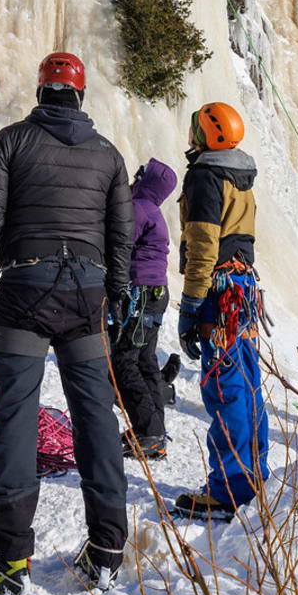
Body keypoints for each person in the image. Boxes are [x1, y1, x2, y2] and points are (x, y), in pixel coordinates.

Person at [0, 52, 133, 595]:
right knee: (95, 417)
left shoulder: (11, 141)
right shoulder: (108, 156)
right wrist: (119, 294)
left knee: (15, 417)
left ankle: (8, 561)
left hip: (25, 289)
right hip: (86, 294)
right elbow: (120, 233)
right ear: (81, 95)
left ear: (41, 91)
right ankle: (106, 552)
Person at [173, 103, 268, 522]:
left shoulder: (206, 176)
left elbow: (203, 247)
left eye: (196, 129)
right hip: (242, 289)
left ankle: (229, 490)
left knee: (225, 386)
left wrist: (192, 306)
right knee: (246, 385)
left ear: (208, 136)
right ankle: (254, 476)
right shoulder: (240, 178)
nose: (191, 136)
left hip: (218, 294)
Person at [111, 158, 178, 459]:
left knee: (125, 360)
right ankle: (155, 431)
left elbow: (119, 244)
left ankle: (148, 431)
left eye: (139, 174)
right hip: (155, 294)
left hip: (140, 293)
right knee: (146, 361)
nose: (134, 178)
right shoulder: (153, 210)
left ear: (146, 181)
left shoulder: (138, 209)